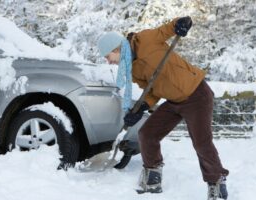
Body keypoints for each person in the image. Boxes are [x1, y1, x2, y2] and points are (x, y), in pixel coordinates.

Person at [97, 17, 229, 200]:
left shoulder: (145, 39)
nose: (109, 62)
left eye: (108, 57)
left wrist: (181, 23)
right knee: (147, 134)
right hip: (174, 101)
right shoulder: (131, 69)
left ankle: (217, 184)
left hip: (196, 93)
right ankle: (153, 176)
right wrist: (141, 107)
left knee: (201, 142)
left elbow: (167, 29)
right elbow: (150, 91)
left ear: (116, 49)